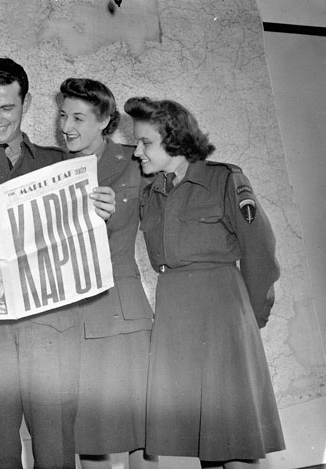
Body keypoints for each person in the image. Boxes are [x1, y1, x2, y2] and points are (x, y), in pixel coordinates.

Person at [0, 57, 115, 469]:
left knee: (55, 446)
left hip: (50, 327)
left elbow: (88, 248)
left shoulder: (61, 164)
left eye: (7, 107)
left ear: (26, 103)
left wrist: (101, 212)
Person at [124, 96, 285, 468]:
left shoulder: (224, 179)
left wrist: (248, 321)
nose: (137, 152)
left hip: (221, 313)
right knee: (208, 443)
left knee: (237, 441)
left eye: (145, 142)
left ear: (175, 140)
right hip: (175, 317)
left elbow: (259, 252)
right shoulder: (153, 192)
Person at [58, 78, 157, 469]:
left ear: (105, 121)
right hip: (73, 316)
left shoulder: (137, 162)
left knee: (145, 436)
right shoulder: (50, 169)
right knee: (91, 436)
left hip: (123, 309)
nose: (67, 126)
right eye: (63, 115)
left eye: (79, 118)